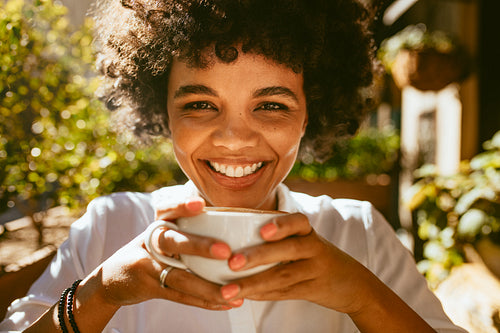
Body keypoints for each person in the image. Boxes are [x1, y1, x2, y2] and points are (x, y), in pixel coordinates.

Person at [0, 0, 465, 332]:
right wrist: (100, 296)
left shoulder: (358, 234)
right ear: (163, 110)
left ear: (312, 112)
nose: (234, 139)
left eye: (272, 106)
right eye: (201, 104)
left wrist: (364, 296)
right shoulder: (109, 228)